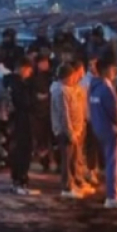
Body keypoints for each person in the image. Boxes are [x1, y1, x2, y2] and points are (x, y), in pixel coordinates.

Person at [89, 58, 117, 209]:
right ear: (105, 71)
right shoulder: (106, 88)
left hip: (98, 127)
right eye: (112, 69)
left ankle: (114, 189)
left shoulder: (93, 86)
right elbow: (114, 111)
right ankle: (111, 196)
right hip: (110, 130)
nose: (114, 72)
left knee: (110, 161)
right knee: (112, 162)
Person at [51, 64, 87, 198]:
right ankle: (66, 188)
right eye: (72, 77)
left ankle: (72, 185)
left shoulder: (70, 90)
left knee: (73, 159)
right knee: (66, 160)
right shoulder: (60, 91)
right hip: (65, 132)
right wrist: (70, 132)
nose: (74, 80)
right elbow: (64, 114)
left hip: (75, 131)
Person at [6, 57, 39, 195]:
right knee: (23, 151)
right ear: (23, 68)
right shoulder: (18, 84)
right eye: (29, 70)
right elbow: (25, 103)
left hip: (15, 122)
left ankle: (17, 181)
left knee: (18, 151)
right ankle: (20, 181)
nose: (30, 73)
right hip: (22, 122)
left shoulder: (10, 82)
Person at [80, 55, 105, 184]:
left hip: (103, 118)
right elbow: (83, 102)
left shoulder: (103, 79)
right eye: (90, 65)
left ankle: (101, 169)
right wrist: (87, 116)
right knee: (92, 146)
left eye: (95, 65)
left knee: (102, 145)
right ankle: (91, 170)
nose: (93, 67)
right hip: (92, 118)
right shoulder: (85, 82)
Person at [31, 54, 55, 172]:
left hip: (50, 111)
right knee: (41, 139)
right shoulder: (33, 78)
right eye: (43, 62)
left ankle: (52, 161)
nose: (45, 65)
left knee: (51, 139)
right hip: (39, 112)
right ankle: (44, 162)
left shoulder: (51, 76)